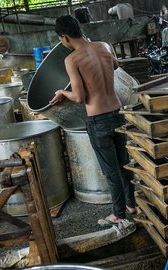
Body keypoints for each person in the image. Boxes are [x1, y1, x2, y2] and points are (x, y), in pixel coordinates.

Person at [49, 15, 136, 227]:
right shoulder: (104, 46)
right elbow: (115, 66)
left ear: (65, 37)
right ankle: (131, 204)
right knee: (124, 164)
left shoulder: (72, 60)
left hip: (98, 120)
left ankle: (119, 214)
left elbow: (79, 97)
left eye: (61, 40)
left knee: (111, 171)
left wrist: (62, 92)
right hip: (118, 112)